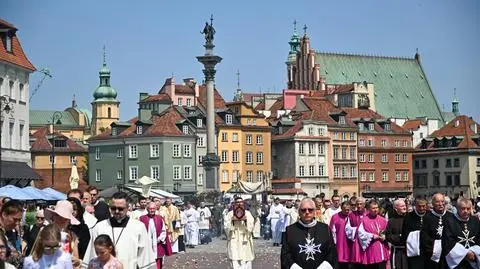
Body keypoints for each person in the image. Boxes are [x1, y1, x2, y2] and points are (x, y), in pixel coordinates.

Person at [83, 192, 155, 269]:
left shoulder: (138, 227)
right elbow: (92, 255)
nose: (116, 211)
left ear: (127, 208)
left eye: (120, 209)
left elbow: (145, 257)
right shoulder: (99, 227)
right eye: (113, 208)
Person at [281, 198, 337, 269]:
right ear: (299, 212)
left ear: (315, 212)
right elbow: (285, 254)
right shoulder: (290, 230)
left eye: (310, 210)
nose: (307, 212)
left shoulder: (325, 229)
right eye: (303, 210)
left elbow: (332, 251)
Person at [442, 198, 480, 269]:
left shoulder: (475, 220)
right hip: (456, 261)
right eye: (463, 208)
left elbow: (478, 238)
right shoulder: (449, 221)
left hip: (474, 259)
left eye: (468, 209)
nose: (466, 211)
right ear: (457, 208)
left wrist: (474, 252)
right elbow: (448, 241)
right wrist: (465, 254)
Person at [420, 193, 453, 269]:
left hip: (448, 255)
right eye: (437, 202)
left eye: (442, 201)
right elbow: (424, 238)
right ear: (433, 203)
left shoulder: (450, 216)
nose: (440, 204)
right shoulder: (427, 218)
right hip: (432, 256)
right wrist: (437, 247)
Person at [357, 199, 390, 269]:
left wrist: (385, 236)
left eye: (377, 208)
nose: (375, 210)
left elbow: (389, 232)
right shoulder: (364, 220)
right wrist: (372, 236)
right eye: (373, 208)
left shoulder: (383, 220)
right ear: (369, 209)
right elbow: (360, 234)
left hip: (382, 250)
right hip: (371, 250)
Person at [224, 196, 255, 269]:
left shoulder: (247, 213)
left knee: (246, 260)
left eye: (241, 202)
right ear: (234, 204)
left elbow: (251, 226)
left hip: (244, 240)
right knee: (235, 260)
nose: (239, 204)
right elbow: (226, 227)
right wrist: (232, 221)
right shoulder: (230, 214)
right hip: (234, 240)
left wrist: (246, 221)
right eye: (237, 202)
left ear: (243, 203)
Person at [139, 202, 172, 269]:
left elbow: (163, 231)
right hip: (146, 243)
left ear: (156, 209)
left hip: (157, 243)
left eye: (153, 208)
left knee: (157, 260)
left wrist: (159, 239)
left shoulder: (159, 218)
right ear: (147, 209)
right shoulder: (142, 218)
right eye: (150, 208)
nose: (152, 210)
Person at [401, 196, 427, 269]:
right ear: (415, 206)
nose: (422, 208)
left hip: (427, 250)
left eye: (423, 206)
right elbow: (405, 234)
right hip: (414, 251)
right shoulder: (408, 217)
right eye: (419, 206)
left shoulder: (429, 215)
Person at [385, 199, 407, 269]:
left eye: (405, 205)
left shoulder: (410, 219)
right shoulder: (391, 221)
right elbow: (388, 236)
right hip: (397, 251)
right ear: (396, 208)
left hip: (409, 250)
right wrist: (399, 237)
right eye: (402, 206)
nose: (404, 207)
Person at [346, 197, 367, 268]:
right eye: (357, 204)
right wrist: (356, 230)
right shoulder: (351, 215)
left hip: (367, 242)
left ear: (364, 204)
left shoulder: (368, 214)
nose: (359, 206)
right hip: (356, 243)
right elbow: (347, 229)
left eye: (361, 204)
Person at [329, 201, 351, 269]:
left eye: (348, 209)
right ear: (341, 208)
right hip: (339, 244)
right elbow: (332, 231)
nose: (347, 211)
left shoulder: (352, 216)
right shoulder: (335, 217)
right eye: (345, 209)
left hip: (350, 244)